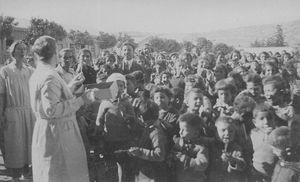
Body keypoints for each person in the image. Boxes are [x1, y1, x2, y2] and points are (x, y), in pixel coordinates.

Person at [29, 36, 94, 182]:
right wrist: (81, 100)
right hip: (58, 132)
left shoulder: (39, 73)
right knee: (64, 174)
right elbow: (52, 110)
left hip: (50, 130)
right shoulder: (50, 75)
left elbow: (54, 96)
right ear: (54, 52)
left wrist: (69, 86)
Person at [0, 41, 35, 182]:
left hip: (28, 113)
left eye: (24, 49)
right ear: (13, 52)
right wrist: (1, 114)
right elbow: (1, 94)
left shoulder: (30, 70)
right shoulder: (5, 71)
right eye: (19, 49)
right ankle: (15, 179)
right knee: (14, 147)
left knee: (28, 147)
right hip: (12, 113)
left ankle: (26, 176)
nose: (22, 52)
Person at [127, 99, 167, 182]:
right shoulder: (149, 128)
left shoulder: (155, 132)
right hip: (146, 173)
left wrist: (140, 152)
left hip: (152, 175)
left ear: (141, 117)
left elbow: (160, 155)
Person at [170, 113, 209, 182]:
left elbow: (202, 165)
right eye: (180, 129)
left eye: (184, 130)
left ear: (195, 133)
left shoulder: (200, 148)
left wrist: (185, 159)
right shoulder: (179, 143)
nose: (180, 132)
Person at [208, 116, 246, 182]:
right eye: (223, 130)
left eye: (231, 131)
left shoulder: (236, 148)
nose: (227, 133)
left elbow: (242, 165)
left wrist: (232, 159)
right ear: (216, 132)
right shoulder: (210, 145)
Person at [250, 104, 279, 182]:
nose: (266, 122)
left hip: (274, 174)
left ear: (274, 120)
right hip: (257, 174)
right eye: (262, 119)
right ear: (255, 122)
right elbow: (254, 150)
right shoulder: (253, 134)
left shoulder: (278, 134)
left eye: (269, 118)